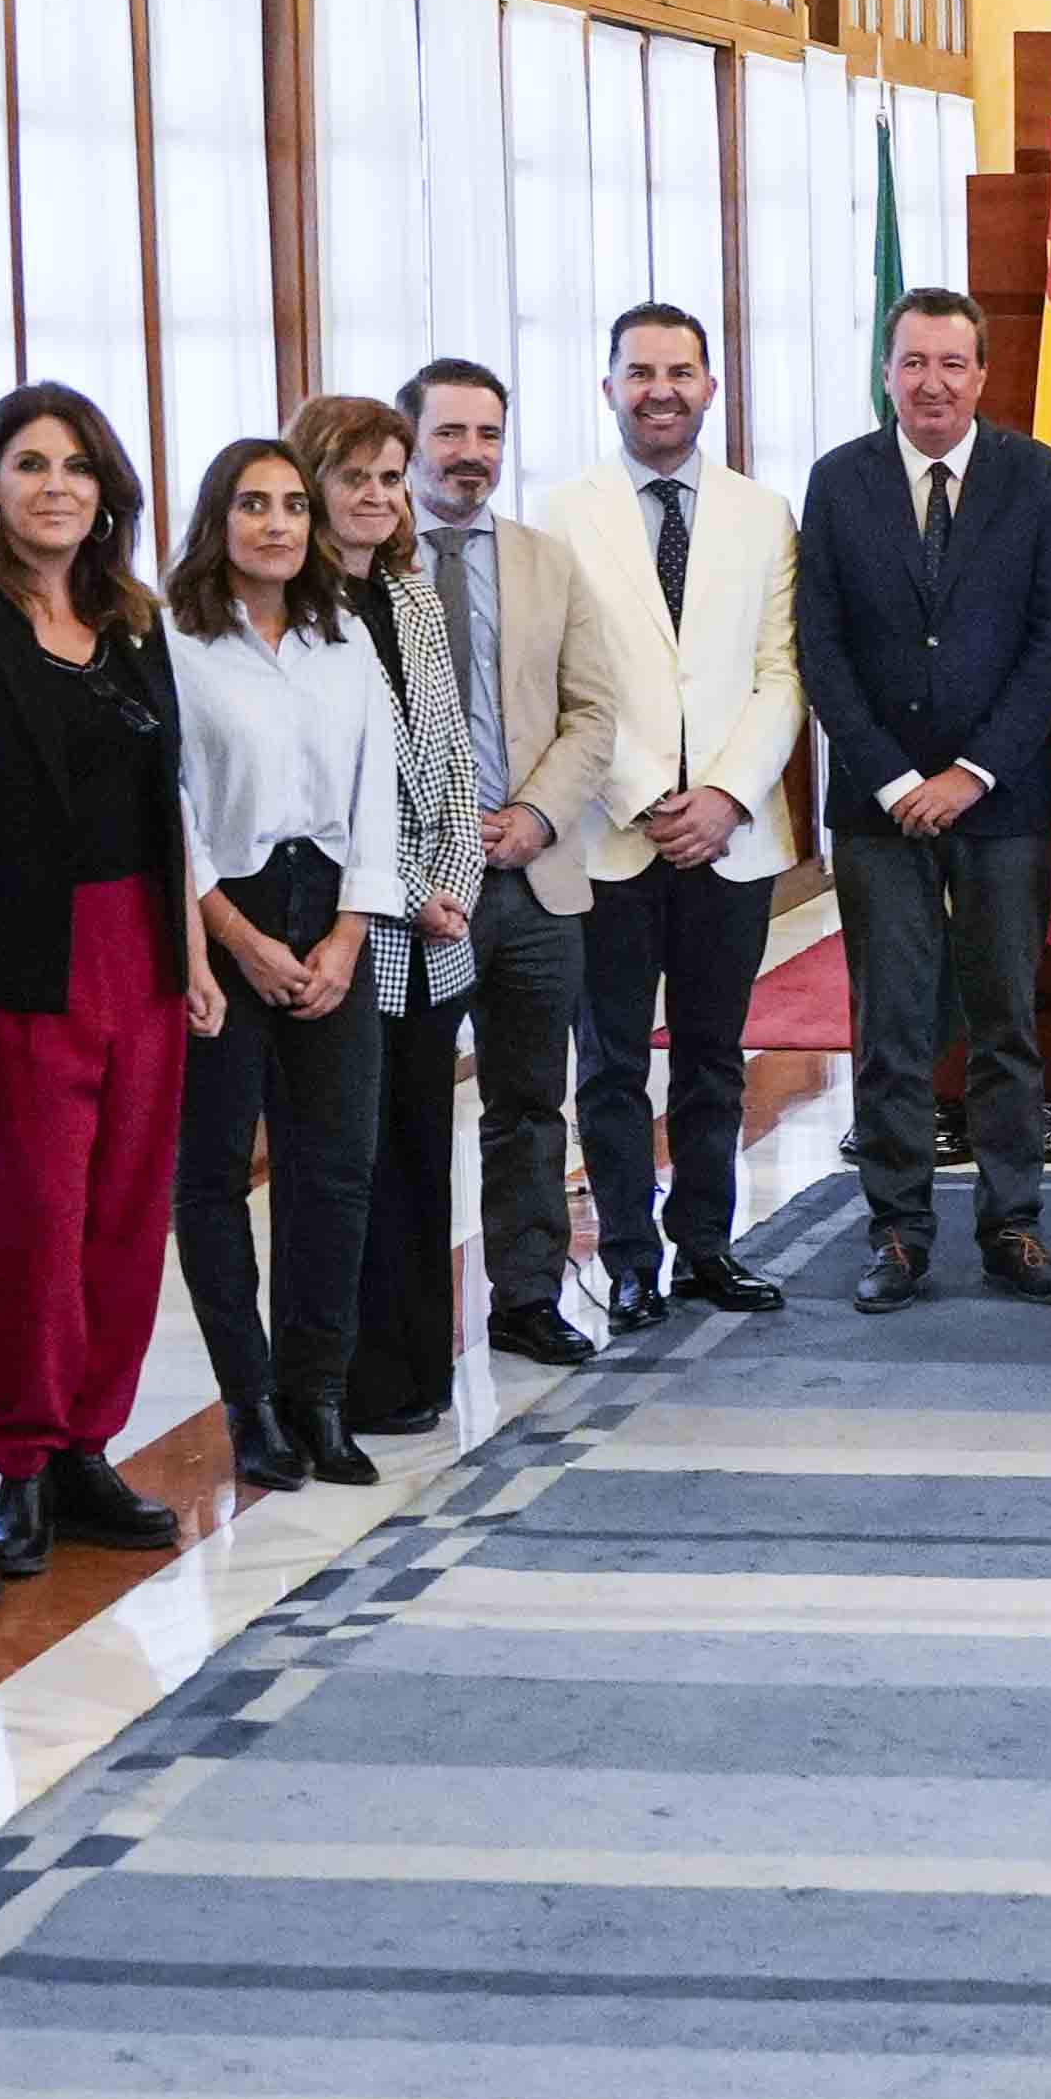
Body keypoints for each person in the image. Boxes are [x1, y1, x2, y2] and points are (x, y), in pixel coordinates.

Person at [0, 387, 196, 1582]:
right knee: (31, 1221)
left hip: (143, 949)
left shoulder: (132, 618)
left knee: (128, 1214)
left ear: (106, 491)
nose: (55, 486)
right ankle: (20, 1461)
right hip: (15, 958)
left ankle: (88, 1443)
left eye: (77, 466)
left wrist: (195, 954)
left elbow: (165, 800)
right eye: (29, 464)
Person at [797, 288, 1051, 1316]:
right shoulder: (839, 481)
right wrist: (894, 776)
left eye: (952, 363)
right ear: (887, 371)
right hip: (880, 808)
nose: (932, 382)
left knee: (1006, 1021)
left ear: (982, 374)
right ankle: (898, 1230)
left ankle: (1012, 1226)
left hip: (1001, 801)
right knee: (893, 1027)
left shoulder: (1036, 477)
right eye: (913, 361)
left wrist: (973, 772)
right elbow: (819, 647)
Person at [360, 362, 620, 1414]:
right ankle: (407, 1332)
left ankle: (525, 1296)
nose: (472, 452)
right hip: (415, 887)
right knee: (408, 1108)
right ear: (411, 442)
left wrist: (534, 816)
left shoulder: (548, 564)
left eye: (489, 433)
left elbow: (594, 711)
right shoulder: (362, 573)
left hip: (534, 875)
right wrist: (440, 840)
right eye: (451, 432)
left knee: (529, 1099)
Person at [536, 303, 802, 1330]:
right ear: (607, 386)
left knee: (711, 1055)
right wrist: (649, 794)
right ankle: (629, 1257)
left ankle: (705, 1246)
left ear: (710, 387)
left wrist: (726, 795)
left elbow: (782, 674)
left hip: (730, 838)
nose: (661, 388)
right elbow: (566, 678)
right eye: (640, 371)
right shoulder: (562, 514)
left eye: (681, 371)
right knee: (608, 1062)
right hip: (610, 831)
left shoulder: (761, 511)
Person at [160, 436, 396, 1494]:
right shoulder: (173, 640)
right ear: (217, 519)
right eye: (252, 504)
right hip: (224, 916)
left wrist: (349, 934)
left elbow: (376, 792)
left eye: (294, 506)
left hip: (334, 904)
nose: (277, 524)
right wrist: (237, 939)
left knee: (335, 1169)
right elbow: (165, 804)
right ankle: (250, 1404)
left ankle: (319, 1396)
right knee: (212, 1173)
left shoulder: (341, 633)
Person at [296, 396, 489, 1447]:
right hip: (357, 917)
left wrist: (454, 872)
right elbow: (335, 779)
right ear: (314, 484)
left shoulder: (408, 595)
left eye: (387, 477)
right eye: (353, 478)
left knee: (423, 1144)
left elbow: (450, 755)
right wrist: (410, 884)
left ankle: (421, 1365)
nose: (375, 497)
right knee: (350, 1156)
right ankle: (350, 1377)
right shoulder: (300, 605)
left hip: (440, 927)